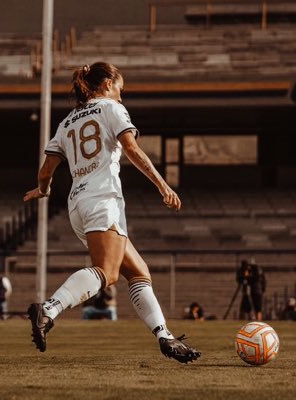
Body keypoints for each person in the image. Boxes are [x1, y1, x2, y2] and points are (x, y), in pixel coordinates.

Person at [24, 62, 200, 363]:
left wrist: (43, 189)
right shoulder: (111, 109)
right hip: (102, 198)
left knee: (138, 272)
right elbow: (131, 149)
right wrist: (162, 185)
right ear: (107, 84)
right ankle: (49, 309)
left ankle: (165, 337)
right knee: (107, 273)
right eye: (121, 87)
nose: (122, 94)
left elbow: (46, 170)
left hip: (78, 203)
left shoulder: (67, 122)